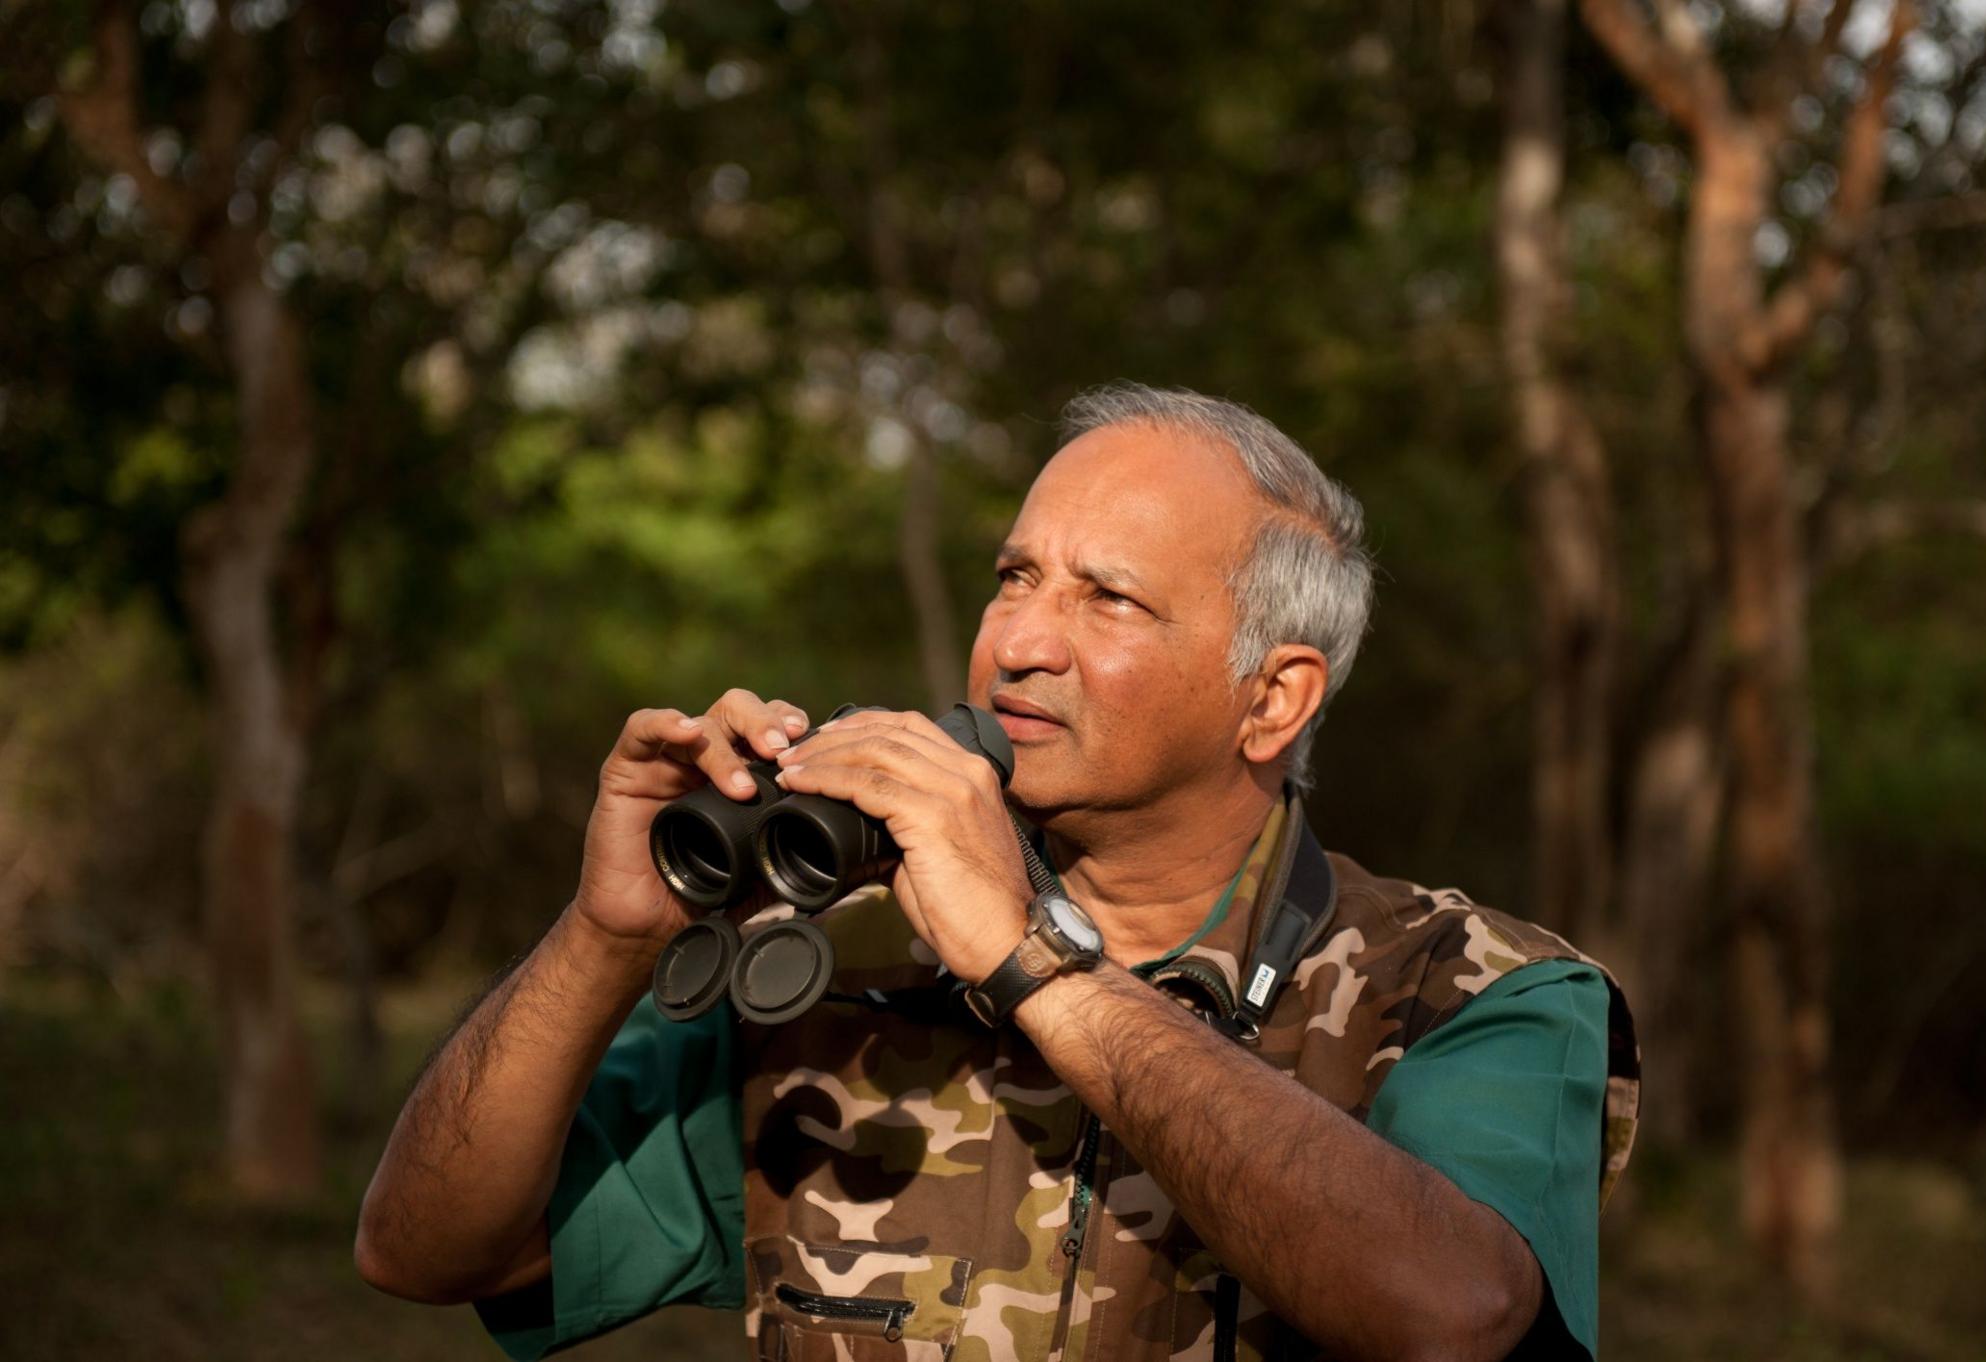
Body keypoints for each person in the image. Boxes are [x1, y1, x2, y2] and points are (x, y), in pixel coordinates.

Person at [356, 384, 1638, 1362]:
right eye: (1014, 578)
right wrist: (605, 932)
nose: (1019, 643)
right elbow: (423, 1250)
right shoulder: (837, 973)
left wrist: (1034, 964)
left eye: (1107, 601)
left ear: (1271, 699)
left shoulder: (1473, 993)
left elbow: (1458, 1314)